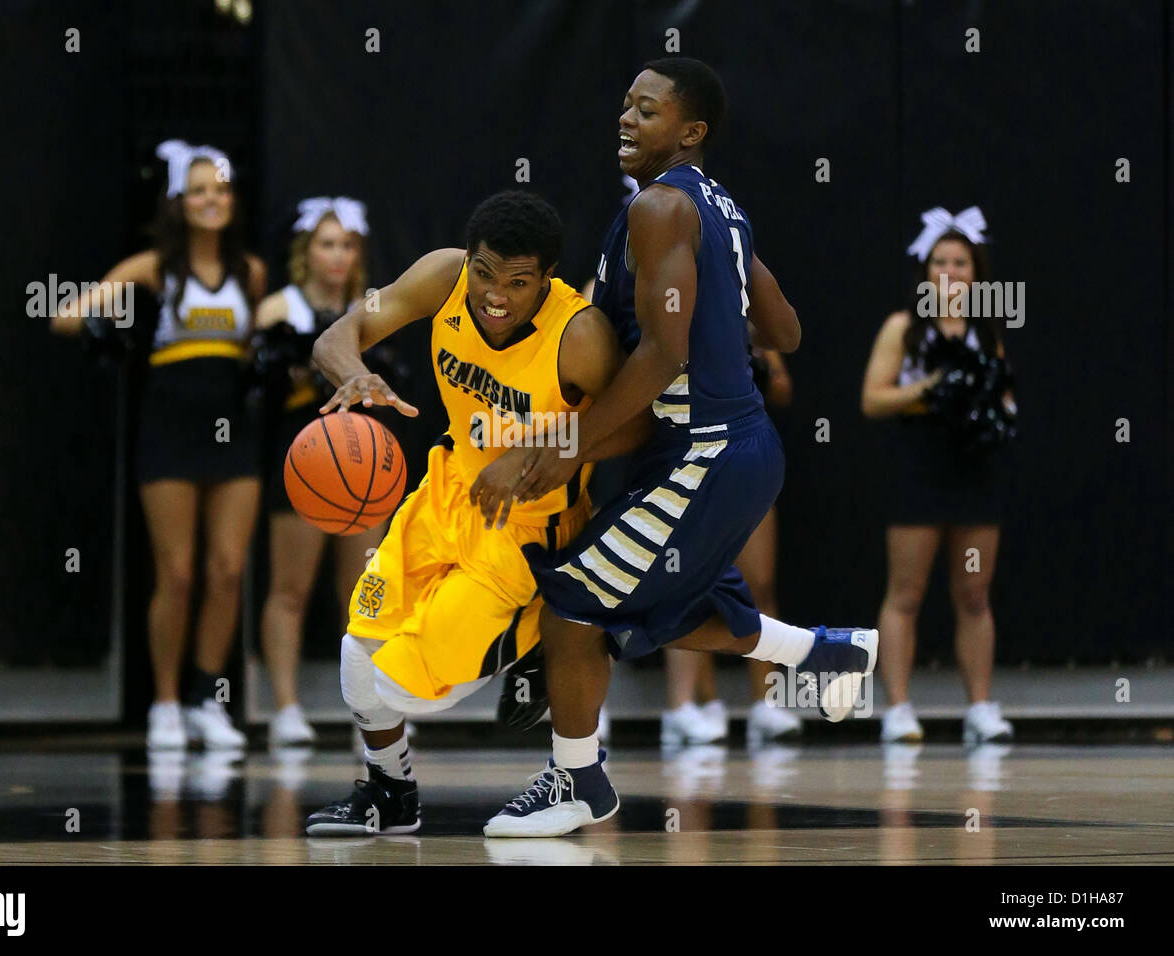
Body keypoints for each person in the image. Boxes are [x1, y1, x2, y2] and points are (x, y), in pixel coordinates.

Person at [482, 58, 877, 837]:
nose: (626, 119)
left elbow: (661, 355)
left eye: (648, 111)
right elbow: (788, 329)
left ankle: (578, 784)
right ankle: (825, 657)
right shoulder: (720, 212)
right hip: (725, 449)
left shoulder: (662, 209)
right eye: (624, 105)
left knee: (571, 603)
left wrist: (572, 445)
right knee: (676, 600)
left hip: (708, 450)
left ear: (690, 132)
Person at [303, 190, 638, 835]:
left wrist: (546, 447)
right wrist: (354, 373)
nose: (496, 294)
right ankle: (390, 795)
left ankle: (542, 630)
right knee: (357, 658)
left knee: (399, 688)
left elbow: (640, 425)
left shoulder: (580, 335)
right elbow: (339, 333)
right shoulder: (443, 276)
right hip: (445, 493)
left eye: (517, 282)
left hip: (526, 527)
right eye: (485, 272)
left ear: (546, 278)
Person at [52, 139, 266, 750]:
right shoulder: (151, 268)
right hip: (168, 428)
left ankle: (205, 698)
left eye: (221, 189)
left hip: (232, 429)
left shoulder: (250, 273)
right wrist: (103, 322)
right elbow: (63, 317)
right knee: (175, 572)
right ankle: (165, 703)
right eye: (199, 189)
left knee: (226, 572)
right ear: (178, 200)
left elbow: (261, 347)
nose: (211, 199)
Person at [860, 207, 1015, 745]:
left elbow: (1006, 400)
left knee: (974, 592)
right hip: (919, 464)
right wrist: (930, 390)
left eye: (961, 262)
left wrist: (990, 408)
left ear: (977, 272)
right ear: (925, 271)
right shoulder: (904, 329)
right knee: (906, 590)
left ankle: (980, 706)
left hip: (973, 464)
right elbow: (873, 398)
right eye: (940, 262)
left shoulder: (987, 330)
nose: (950, 271)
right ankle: (899, 708)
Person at [254, 196, 385, 747]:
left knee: (362, 591)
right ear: (306, 252)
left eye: (347, 245)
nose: (338, 255)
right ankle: (284, 706)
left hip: (364, 462)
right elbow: (258, 391)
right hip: (304, 458)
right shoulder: (279, 308)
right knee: (290, 588)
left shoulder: (372, 307)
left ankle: (371, 712)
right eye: (327, 244)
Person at [661, 346, 799, 748]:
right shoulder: (666, 309)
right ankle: (697, 703)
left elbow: (783, 390)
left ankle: (766, 703)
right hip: (686, 459)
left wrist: (758, 368)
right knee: (689, 585)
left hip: (743, 460)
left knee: (760, 584)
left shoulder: (744, 310)